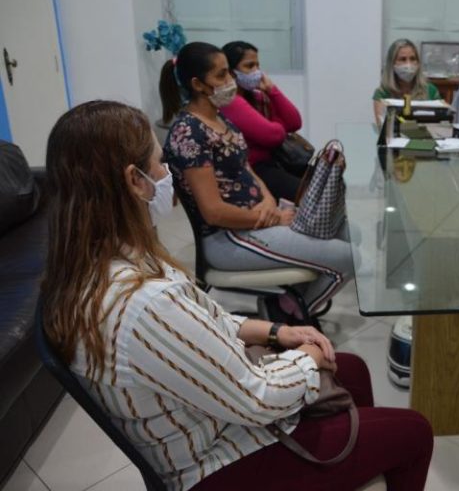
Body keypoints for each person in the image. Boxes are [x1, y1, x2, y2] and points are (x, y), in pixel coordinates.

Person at [41, 100, 433, 491]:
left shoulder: (97, 265)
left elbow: (199, 321)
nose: (167, 174)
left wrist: (276, 332)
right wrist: (309, 357)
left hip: (213, 418)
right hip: (219, 461)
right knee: (414, 431)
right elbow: (257, 398)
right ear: (134, 180)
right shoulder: (143, 302)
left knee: (352, 370)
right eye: (160, 163)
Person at [159, 42, 351, 320]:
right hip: (229, 236)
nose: (230, 81)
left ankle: (287, 305)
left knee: (348, 231)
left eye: (229, 72)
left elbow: (247, 168)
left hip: (257, 220)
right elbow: (213, 212)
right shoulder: (189, 133)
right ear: (198, 84)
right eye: (221, 75)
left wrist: (269, 202)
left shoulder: (220, 119)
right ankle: (291, 315)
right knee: (349, 257)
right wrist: (271, 219)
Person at [220, 40, 303, 201]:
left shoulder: (258, 97)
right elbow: (273, 136)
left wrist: (272, 90)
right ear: (231, 72)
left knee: (323, 181)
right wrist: (276, 125)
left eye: (258, 65)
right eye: (249, 66)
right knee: (308, 194)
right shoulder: (231, 102)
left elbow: (294, 122)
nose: (257, 72)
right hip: (251, 169)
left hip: (274, 161)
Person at [373, 38, 442, 123]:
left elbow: (440, 122)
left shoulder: (431, 90)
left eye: (413, 59)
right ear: (392, 64)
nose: (408, 64)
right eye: (402, 59)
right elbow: (382, 126)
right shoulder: (382, 93)